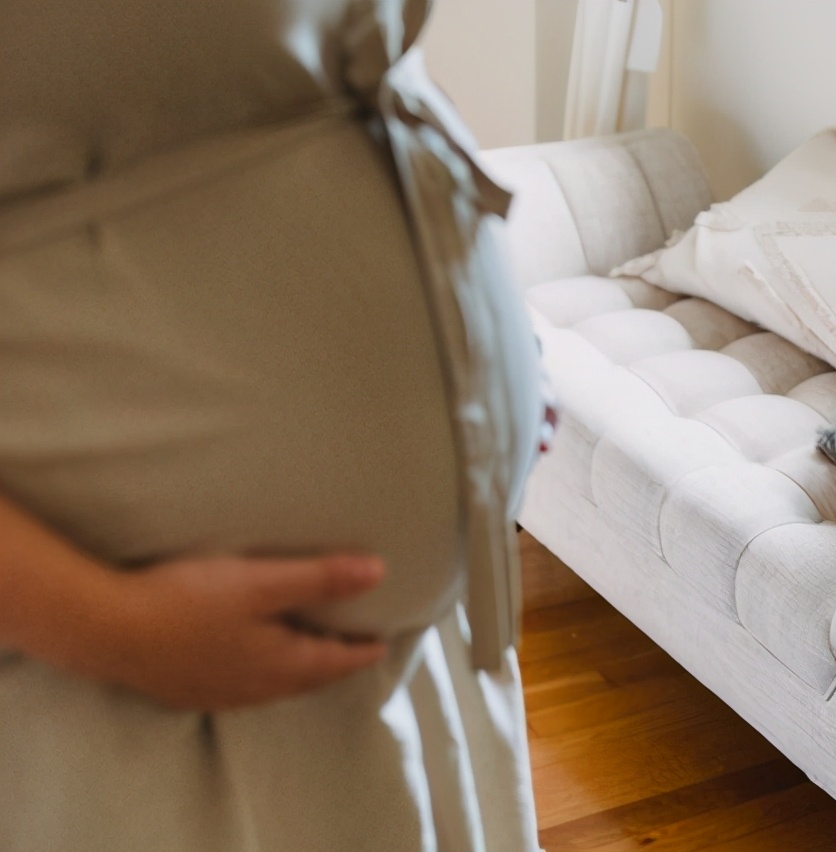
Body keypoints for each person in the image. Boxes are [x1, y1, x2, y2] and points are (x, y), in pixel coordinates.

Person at [0, 1, 548, 849]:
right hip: (106, 697)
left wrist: (479, 332)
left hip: (411, 671)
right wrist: (109, 626)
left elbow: (337, 68)